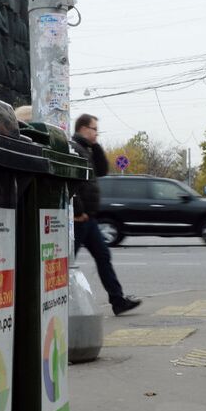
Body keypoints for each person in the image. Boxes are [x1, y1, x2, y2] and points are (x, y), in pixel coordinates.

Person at [70, 114, 142, 316]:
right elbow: (72, 184)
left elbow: (102, 171)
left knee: (103, 256)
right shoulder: (75, 148)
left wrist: (96, 145)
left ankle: (118, 301)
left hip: (89, 219)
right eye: (94, 129)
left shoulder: (87, 149)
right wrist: (78, 211)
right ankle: (59, 304)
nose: (96, 133)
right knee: (67, 263)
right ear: (83, 128)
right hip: (79, 219)